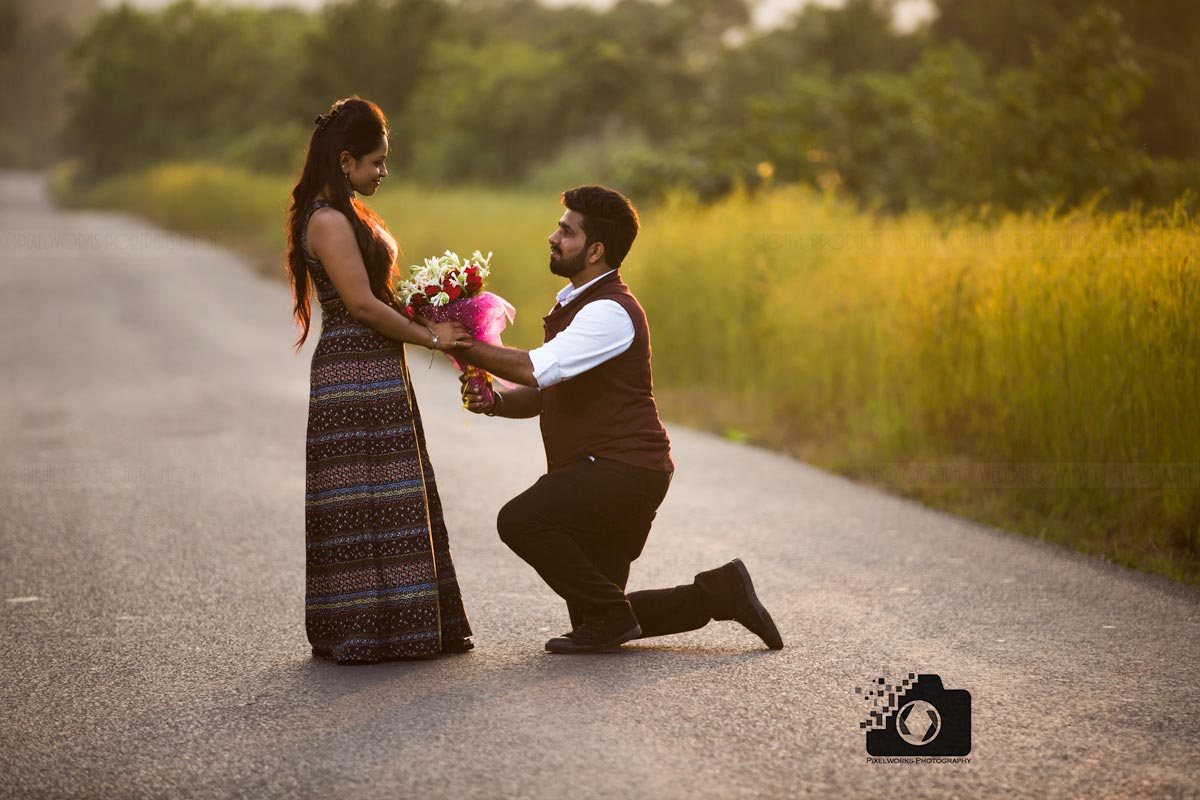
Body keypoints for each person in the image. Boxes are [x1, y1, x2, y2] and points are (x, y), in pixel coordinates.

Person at [456, 184, 784, 654]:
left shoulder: (610, 311)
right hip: (609, 469)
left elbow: (535, 367)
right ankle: (720, 593)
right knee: (599, 615)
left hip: (624, 472)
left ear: (595, 250)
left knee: (520, 520)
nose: (553, 237)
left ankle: (613, 614)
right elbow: (547, 388)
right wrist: (497, 402)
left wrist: (459, 342)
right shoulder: (575, 303)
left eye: (566, 232)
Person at [285, 96, 475, 663]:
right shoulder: (326, 219)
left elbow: (382, 299)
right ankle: (368, 627)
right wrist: (432, 338)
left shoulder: (349, 213)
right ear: (345, 161)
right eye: (376, 162)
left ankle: (410, 624)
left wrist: (433, 312)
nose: (383, 172)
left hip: (378, 368)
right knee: (363, 496)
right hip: (353, 372)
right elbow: (364, 306)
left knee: (390, 490)